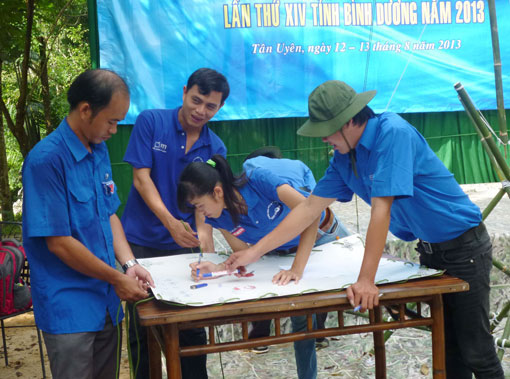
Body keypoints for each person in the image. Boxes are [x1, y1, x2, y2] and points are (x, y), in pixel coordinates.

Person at [224, 80, 505, 378]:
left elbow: (381, 209)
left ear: (346, 122)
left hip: (465, 248)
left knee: (477, 350)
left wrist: (366, 281)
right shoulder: (345, 158)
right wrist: (252, 253)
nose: (323, 140)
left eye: (325, 131)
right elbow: (308, 209)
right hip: (432, 252)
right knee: (449, 350)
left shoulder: (392, 133)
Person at [21, 69, 154, 379]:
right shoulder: (46, 160)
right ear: (85, 110)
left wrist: (129, 264)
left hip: (106, 301)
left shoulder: (99, 150)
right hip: (69, 308)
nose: (115, 129)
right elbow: (59, 243)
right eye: (111, 121)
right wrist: (118, 279)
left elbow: (109, 214)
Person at [177, 154, 350, 379]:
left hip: (324, 236)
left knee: (365, 292)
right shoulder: (219, 217)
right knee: (301, 317)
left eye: (199, 206)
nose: (201, 213)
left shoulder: (258, 179)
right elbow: (247, 256)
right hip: (284, 254)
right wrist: (218, 267)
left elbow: (311, 212)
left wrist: (297, 268)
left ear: (217, 192)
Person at [121, 68, 230, 378]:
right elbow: (141, 179)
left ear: (219, 108)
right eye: (196, 100)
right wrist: (170, 222)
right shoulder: (151, 122)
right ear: (184, 92)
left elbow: (205, 207)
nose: (200, 111)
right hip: (142, 242)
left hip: (185, 248)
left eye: (210, 107)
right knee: (143, 326)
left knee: (192, 328)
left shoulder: (215, 147)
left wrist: (206, 248)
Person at [242, 146, 335, 351]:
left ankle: (260, 338)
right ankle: (318, 333)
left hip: (276, 235)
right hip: (299, 232)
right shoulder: (297, 166)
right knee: (314, 285)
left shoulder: (250, 170)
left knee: (263, 282)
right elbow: (314, 201)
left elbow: (311, 208)